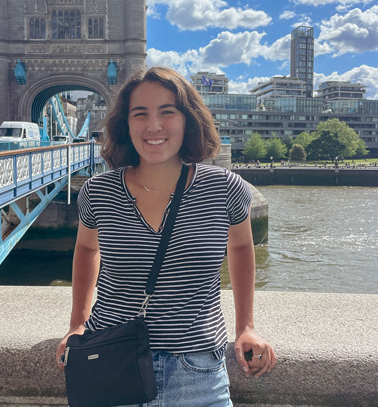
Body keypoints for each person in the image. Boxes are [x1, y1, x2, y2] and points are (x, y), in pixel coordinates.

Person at [56, 67, 276, 406]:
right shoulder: (98, 192)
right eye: (140, 114)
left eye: (167, 112)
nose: (154, 126)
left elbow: (243, 245)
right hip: (110, 360)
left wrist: (246, 325)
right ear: (125, 125)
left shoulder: (225, 188)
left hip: (197, 367)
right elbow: (87, 249)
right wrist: (77, 324)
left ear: (187, 119)